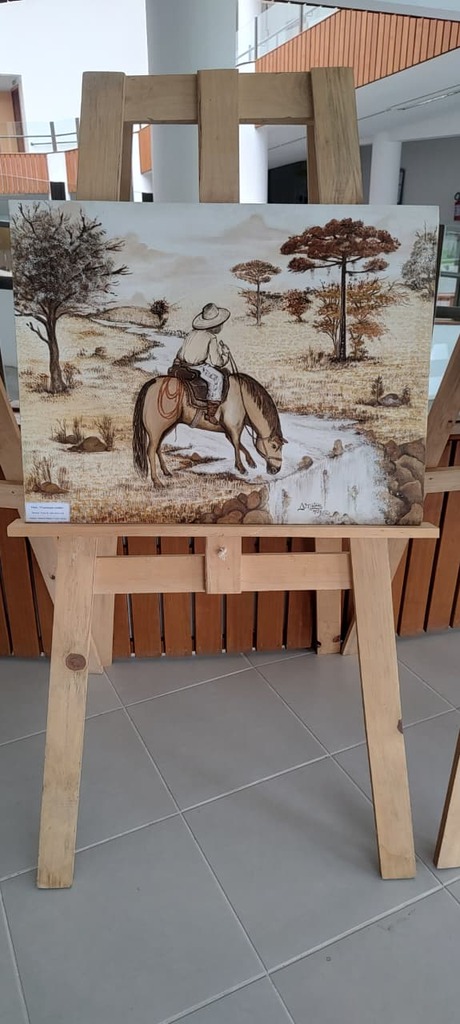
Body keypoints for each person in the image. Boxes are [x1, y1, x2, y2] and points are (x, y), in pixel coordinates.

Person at [175, 302, 232, 424]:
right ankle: (210, 414)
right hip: (197, 366)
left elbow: (181, 352)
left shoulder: (191, 333)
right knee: (218, 378)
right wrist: (225, 354)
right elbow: (217, 362)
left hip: (183, 364)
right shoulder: (211, 337)